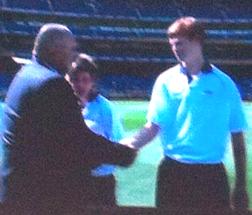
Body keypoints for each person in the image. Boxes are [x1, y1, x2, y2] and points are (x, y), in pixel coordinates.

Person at [0, 23, 135, 214]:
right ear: (55, 50)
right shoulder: (52, 84)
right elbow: (76, 141)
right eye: (71, 49)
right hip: (41, 197)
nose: (74, 56)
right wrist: (121, 153)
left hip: (18, 190)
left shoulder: (25, 74)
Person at [121, 17, 248, 213]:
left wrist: (240, 185)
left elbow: (237, 136)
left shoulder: (225, 84)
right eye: (172, 44)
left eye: (179, 43)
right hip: (173, 172)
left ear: (197, 40)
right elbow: (153, 126)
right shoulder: (165, 81)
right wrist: (126, 146)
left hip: (211, 174)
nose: (175, 49)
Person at [67, 53, 124, 206]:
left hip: (100, 181)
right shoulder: (61, 106)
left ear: (93, 81)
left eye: (85, 80)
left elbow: (115, 144)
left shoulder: (106, 109)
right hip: (70, 180)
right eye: (75, 80)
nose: (79, 85)